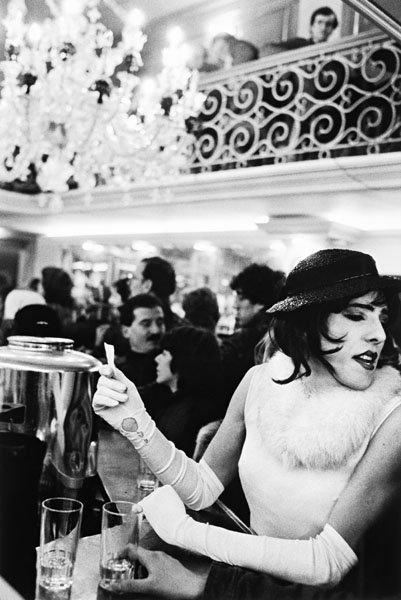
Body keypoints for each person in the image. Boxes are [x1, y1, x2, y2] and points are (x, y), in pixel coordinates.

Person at [93, 248, 401, 597]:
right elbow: (203, 487)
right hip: (245, 586)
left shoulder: (392, 419)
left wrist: (183, 532)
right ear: (307, 323)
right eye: (356, 315)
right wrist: (137, 422)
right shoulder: (259, 381)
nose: (378, 333)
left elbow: (326, 562)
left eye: (382, 316)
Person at [140, 326, 223, 456]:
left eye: (164, 354)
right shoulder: (165, 392)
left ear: (180, 359)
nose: (157, 359)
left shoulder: (192, 413)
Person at [221, 263, 285, 403]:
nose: (235, 304)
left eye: (241, 297)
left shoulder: (245, 341)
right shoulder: (280, 333)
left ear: (260, 301)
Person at [117, 293, 166, 387]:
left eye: (160, 322)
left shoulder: (175, 366)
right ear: (126, 331)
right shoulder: (118, 374)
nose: (156, 330)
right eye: (146, 324)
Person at [260, 6, 339, 57]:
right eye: (319, 22)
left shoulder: (333, 55)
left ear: (332, 29)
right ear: (311, 26)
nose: (323, 27)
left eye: (328, 24)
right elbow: (267, 49)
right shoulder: (299, 43)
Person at [130, 256, 184, 330]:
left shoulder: (132, 327)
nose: (130, 283)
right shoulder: (182, 328)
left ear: (147, 285)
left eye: (134, 278)